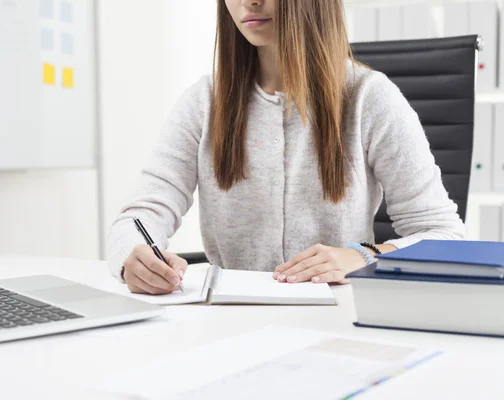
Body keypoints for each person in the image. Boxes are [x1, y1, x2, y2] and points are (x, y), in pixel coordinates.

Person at [107, 0, 465, 294]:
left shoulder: (370, 96)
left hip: (338, 317)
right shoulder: (205, 101)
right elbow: (139, 217)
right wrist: (133, 257)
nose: (248, 1)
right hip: (230, 320)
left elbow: (445, 235)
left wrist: (363, 255)